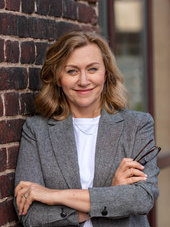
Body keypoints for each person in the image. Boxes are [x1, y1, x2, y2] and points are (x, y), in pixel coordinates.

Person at [14, 30, 160, 227]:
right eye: (72, 71)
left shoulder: (137, 125)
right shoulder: (37, 131)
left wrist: (53, 195)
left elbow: (142, 198)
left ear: (106, 73)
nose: (83, 81)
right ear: (58, 78)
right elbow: (30, 215)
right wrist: (112, 193)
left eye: (92, 69)